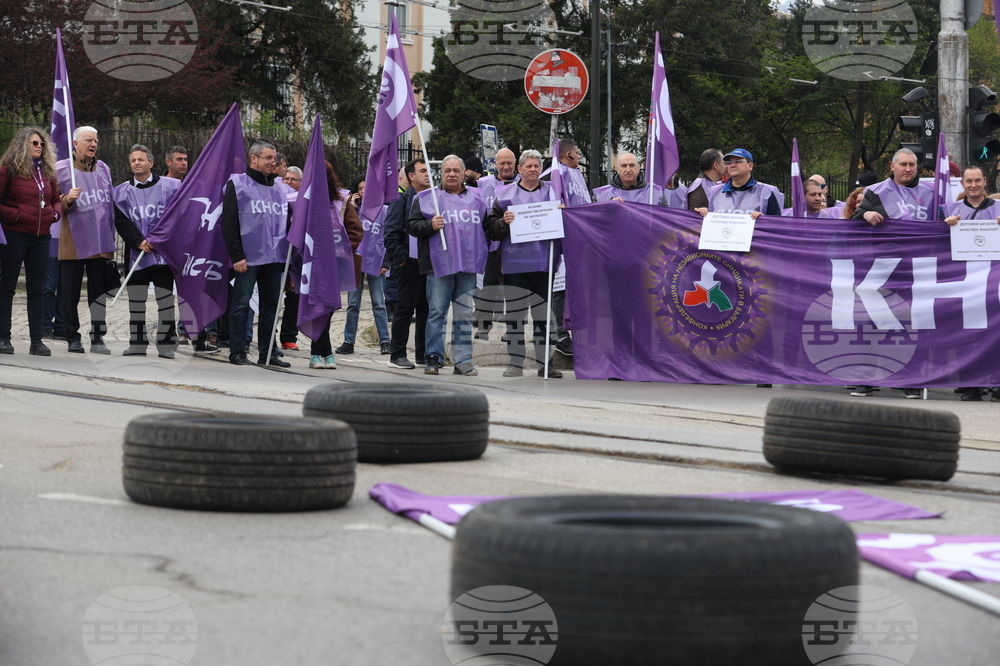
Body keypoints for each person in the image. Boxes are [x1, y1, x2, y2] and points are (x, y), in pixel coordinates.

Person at [850, 148, 934, 399]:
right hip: (884, 266)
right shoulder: (877, 191)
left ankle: (912, 382)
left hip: (916, 267)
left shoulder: (932, 193)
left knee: (912, 324)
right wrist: (865, 213)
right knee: (872, 322)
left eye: (912, 165)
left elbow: (943, 222)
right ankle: (866, 380)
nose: (908, 169)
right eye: (903, 164)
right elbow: (853, 218)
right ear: (892, 166)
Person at [407, 155, 489, 375]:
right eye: (447, 170)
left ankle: (462, 360)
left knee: (463, 314)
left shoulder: (478, 200)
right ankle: (433, 357)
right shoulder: (427, 199)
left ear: (464, 174)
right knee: (436, 312)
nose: (452, 174)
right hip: (438, 266)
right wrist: (429, 224)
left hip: (468, 267)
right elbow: (412, 226)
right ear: (440, 174)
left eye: (456, 170)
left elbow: (488, 228)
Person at [484, 149, 563, 378]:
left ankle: (545, 363)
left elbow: (566, 223)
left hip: (543, 264)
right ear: (519, 169)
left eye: (536, 166)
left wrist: (563, 214)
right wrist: (503, 222)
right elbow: (491, 228)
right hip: (514, 265)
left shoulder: (552, 194)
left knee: (542, 316)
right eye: (528, 166)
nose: (533, 169)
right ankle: (515, 362)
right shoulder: (505, 195)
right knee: (515, 315)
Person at [221, 140, 292, 367]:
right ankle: (237, 352)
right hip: (248, 259)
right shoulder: (238, 184)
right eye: (268, 158)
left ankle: (267, 353)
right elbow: (229, 223)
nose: (273, 162)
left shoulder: (280, 187)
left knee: (271, 306)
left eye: (274, 158)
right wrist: (237, 256)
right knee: (241, 304)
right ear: (254, 159)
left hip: (274, 258)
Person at [112, 144, 182, 358]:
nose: (136, 163)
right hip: (137, 255)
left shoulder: (171, 187)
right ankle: (137, 343)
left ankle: (166, 344)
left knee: (165, 301)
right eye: (133, 160)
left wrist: (160, 240)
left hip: (163, 255)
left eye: (141, 159)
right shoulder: (121, 192)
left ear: (151, 163)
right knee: (136, 301)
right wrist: (138, 241)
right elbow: (121, 221)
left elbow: (177, 216)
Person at [0, 127, 64, 356]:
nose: (39, 146)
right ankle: (3, 337)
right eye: (35, 143)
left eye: (42, 144)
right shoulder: (8, 169)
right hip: (14, 234)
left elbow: (56, 200)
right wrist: (16, 215)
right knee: (6, 288)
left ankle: (37, 340)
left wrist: (53, 215)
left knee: (37, 289)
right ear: (22, 144)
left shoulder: (46, 172)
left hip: (40, 238)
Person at [941, 164, 1000, 402]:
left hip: (993, 283)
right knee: (967, 335)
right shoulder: (950, 209)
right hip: (963, 282)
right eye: (969, 181)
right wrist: (944, 226)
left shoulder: (998, 208)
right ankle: (971, 384)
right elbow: (932, 245)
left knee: (995, 334)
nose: (973, 185)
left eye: (977, 180)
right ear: (963, 184)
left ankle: (996, 383)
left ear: (985, 181)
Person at [57, 126, 115, 355]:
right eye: (88, 140)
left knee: (98, 293)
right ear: (75, 143)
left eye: (96, 141)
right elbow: (52, 200)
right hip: (73, 238)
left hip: (99, 239)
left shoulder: (103, 169)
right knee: (70, 292)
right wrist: (66, 199)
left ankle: (98, 337)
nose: (93, 144)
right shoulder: (61, 169)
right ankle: (72, 336)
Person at [307, 161, 364, 369]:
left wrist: (343, 249)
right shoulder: (303, 201)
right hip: (311, 263)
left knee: (328, 307)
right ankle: (321, 353)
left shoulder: (342, 202)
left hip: (335, 263)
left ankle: (322, 352)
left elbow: (355, 231)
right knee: (316, 307)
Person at [542, 140, 591, 358]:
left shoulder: (577, 176)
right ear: (569, 154)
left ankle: (574, 332)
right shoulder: (552, 175)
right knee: (559, 289)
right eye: (578, 153)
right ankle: (560, 335)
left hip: (577, 240)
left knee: (575, 289)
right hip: (559, 241)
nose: (579, 157)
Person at [383, 159, 431, 369]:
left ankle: (422, 354)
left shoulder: (433, 199)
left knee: (426, 310)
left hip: (429, 263)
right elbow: (391, 234)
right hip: (408, 264)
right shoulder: (401, 199)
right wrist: (401, 260)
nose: (427, 174)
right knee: (404, 309)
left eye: (429, 170)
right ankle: (397, 354)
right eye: (422, 171)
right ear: (411, 176)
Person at [335, 177, 391, 356]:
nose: (364, 191)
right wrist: (350, 206)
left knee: (378, 302)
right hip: (355, 261)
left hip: (376, 261)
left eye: (367, 188)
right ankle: (348, 341)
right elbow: (341, 228)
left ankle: (385, 341)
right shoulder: (353, 210)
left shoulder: (384, 211)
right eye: (360, 188)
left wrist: (386, 261)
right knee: (353, 303)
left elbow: (389, 236)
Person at [473, 148, 517, 340]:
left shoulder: (522, 184)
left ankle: (513, 329)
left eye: (509, 163)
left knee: (514, 287)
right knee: (488, 286)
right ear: (495, 164)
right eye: (502, 163)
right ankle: (483, 326)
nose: (506, 166)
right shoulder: (482, 184)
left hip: (516, 246)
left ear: (515, 164)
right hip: (491, 243)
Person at [695, 148, 781, 218]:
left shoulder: (766, 192)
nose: (732, 165)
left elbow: (776, 226)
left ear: (750, 166)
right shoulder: (714, 192)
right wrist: (703, 213)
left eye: (738, 161)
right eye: (729, 162)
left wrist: (765, 220)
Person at [279, 166, 303, 350]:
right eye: (285, 179)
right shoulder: (279, 198)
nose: (287, 182)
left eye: (292, 180)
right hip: (278, 255)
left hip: (297, 257)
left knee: (294, 298)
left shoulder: (303, 202)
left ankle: (288, 336)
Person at [594, 152, 666, 204]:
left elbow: (666, 220)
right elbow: (594, 221)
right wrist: (608, 206)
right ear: (618, 169)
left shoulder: (655, 193)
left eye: (632, 165)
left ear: (638, 168)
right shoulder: (602, 195)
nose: (628, 170)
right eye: (624, 166)